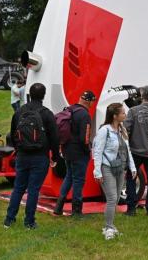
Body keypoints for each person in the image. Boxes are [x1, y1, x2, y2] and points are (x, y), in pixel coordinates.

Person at [4, 83, 60, 229]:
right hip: (40, 156)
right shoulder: (47, 113)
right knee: (34, 189)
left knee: (18, 188)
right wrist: (54, 156)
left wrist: (18, 150)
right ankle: (29, 221)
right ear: (44, 95)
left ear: (29, 93)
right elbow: (54, 137)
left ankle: (9, 219)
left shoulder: (19, 112)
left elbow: (12, 134)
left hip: (22, 155)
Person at [93, 103, 137, 240]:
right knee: (112, 198)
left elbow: (127, 150)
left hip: (120, 168)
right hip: (107, 167)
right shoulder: (104, 130)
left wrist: (132, 167)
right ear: (115, 116)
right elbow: (97, 151)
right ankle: (108, 227)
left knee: (116, 198)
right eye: (123, 113)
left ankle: (110, 226)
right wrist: (97, 171)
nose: (125, 114)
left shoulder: (122, 129)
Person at [53, 90, 97, 218]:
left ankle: (58, 207)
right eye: (92, 102)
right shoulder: (84, 114)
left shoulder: (70, 109)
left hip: (67, 149)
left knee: (69, 177)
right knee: (78, 180)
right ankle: (76, 211)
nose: (92, 105)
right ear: (88, 101)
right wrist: (87, 151)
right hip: (79, 152)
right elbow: (86, 137)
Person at [124, 86, 148, 216]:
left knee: (131, 178)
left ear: (142, 95)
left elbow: (126, 130)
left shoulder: (133, 111)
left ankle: (131, 208)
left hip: (135, 151)